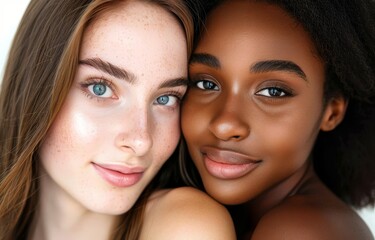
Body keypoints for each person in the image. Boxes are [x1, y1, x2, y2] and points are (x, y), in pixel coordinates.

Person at [0, 0, 236, 239]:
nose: (141, 141)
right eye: (100, 89)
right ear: (35, 87)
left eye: (166, 99)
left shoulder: (189, 228)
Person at [180, 0, 375, 239]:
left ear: (331, 112)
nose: (224, 125)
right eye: (206, 84)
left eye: (273, 92)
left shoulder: (299, 230)